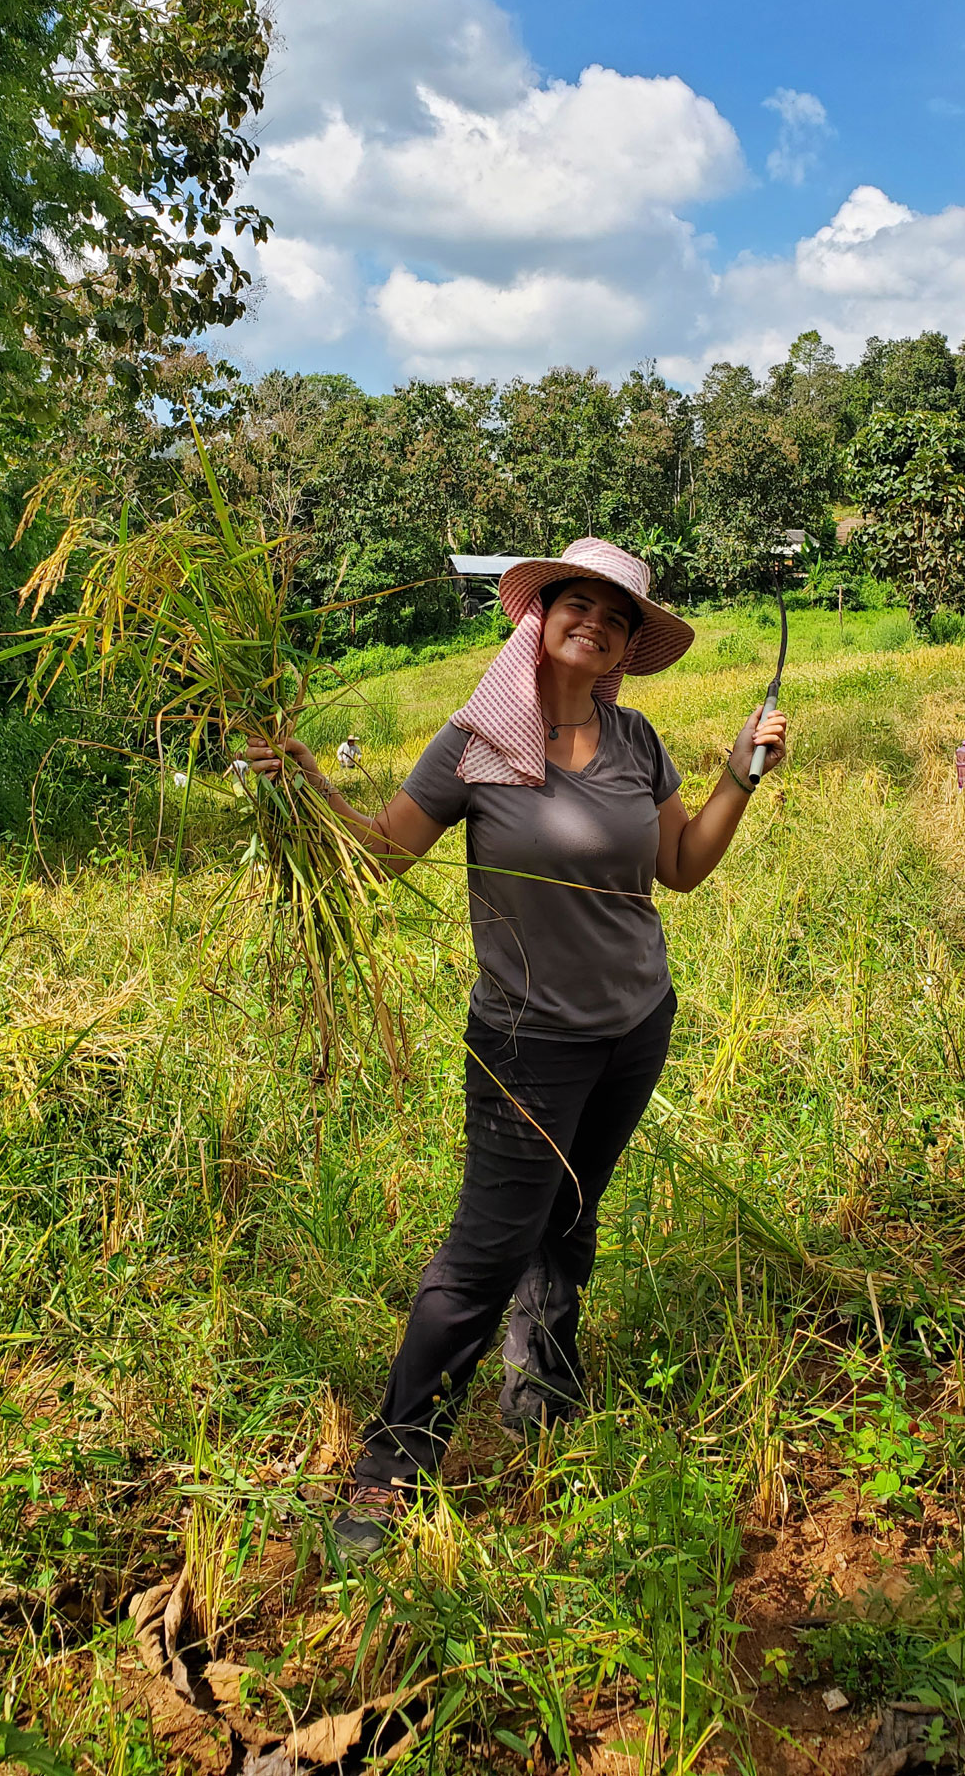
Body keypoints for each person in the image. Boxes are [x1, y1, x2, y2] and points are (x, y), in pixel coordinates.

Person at [244, 538, 788, 1560]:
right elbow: (387, 849)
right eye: (574, 602)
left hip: (635, 1024)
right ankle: (390, 1468)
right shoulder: (473, 745)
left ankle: (541, 1388)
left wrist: (736, 780)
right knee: (482, 1252)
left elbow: (679, 869)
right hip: (526, 1042)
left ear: (628, 646)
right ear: (537, 620)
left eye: (615, 614)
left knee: (571, 1210)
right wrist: (309, 784)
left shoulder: (637, 742)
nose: (594, 621)